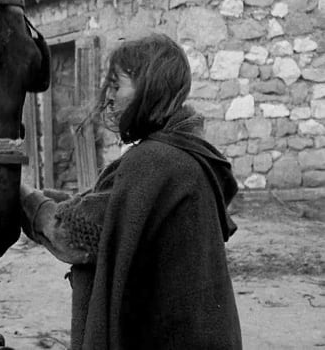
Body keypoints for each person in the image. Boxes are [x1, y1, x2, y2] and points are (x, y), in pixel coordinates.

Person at [19, 32, 242, 349]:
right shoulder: (186, 155)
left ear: (149, 91)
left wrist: (21, 195)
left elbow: (71, 233)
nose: (108, 98)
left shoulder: (154, 162)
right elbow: (107, 207)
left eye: (116, 85)